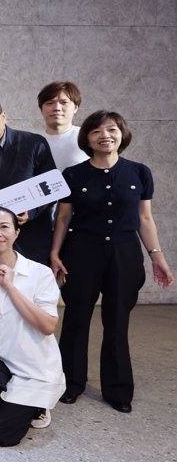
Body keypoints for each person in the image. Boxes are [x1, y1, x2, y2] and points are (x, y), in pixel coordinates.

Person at [51, 111, 174, 413]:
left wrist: (157, 256)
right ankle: (71, 383)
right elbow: (64, 217)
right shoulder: (73, 174)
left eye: (112, 129)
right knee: (76, 319)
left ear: (122, 134)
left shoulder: (139, 172)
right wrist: (55, 253)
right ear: (87, 138)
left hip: (125, 253)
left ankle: (117, 390)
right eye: (96, 131)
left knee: (117, 321)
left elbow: (145, 218)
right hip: (81, 253)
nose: (104, 135)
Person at [0, 207, 65, 447]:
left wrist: (10, 286)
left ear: (17, 232)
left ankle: (34, 406)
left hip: (30, 365)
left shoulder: (39, 273)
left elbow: (48, 326)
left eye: (4, 227)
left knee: (2, 435)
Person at [0, 94, 57, 265]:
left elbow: (52, 188)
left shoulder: (34, 143)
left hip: (31, 239)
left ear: (4, 116)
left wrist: (30, 211)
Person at [38, 82, 88, 172]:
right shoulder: (33, 143)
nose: (57, 108)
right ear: (41, 110)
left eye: (64, 102)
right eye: (50, 103)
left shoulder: (88, 138)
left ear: (76, 108)